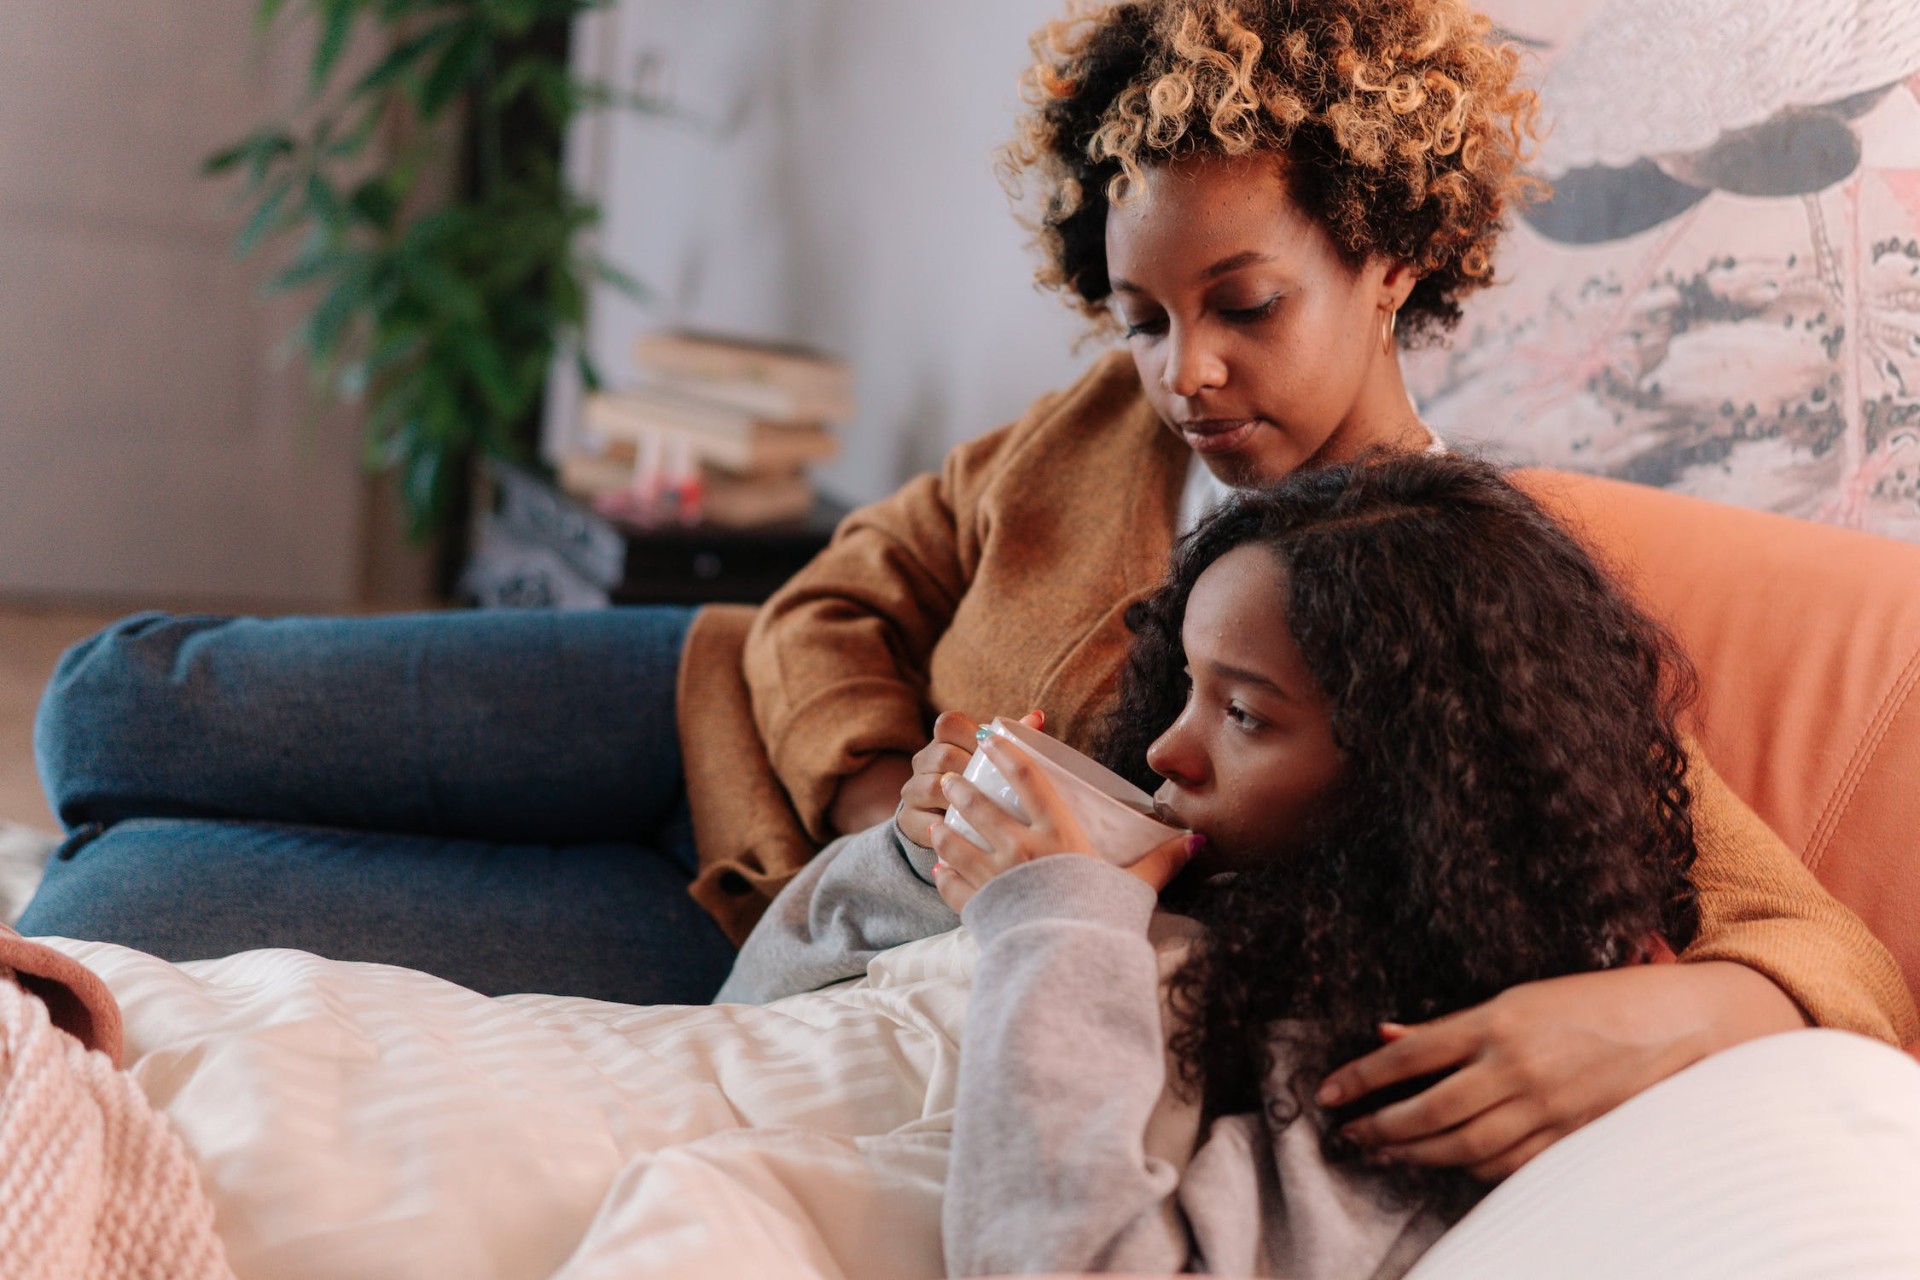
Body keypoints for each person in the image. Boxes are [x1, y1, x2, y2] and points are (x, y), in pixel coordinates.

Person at [19, 0, 1914, 1175]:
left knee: (133, 898)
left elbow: (1817, 940)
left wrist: (1689, 1016)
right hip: (722, 727)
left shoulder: (1451, 590)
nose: (1187, 372)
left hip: (805, 967)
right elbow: (837, 592)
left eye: (1243, 308)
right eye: (1146, 311)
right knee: (110, 700)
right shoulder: (1103, 425)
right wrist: (864, 786)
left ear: (1393, 260)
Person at [929, 453, 1708, 1277]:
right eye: (1187, 683)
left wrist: (1055, 915)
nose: (1164, 748)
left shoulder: (1384, 1059)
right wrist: (919, 852)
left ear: (1416, 774)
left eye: (1243, 714)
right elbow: (789, 968)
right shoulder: (1207, 865)